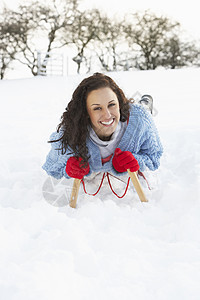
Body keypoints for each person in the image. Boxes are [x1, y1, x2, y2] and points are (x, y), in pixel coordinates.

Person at [42, 72, 163, 184]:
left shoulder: (140, 121)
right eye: (97, 108)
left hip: (136, 114)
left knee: (142, 108)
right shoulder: (72, 131)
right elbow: (52, 167)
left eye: (112, 105)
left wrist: (135, 160)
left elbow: (154, 158)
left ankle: (145, 102)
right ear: (85, 113)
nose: (107, 115)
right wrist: (68, 169)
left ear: (119, 103)